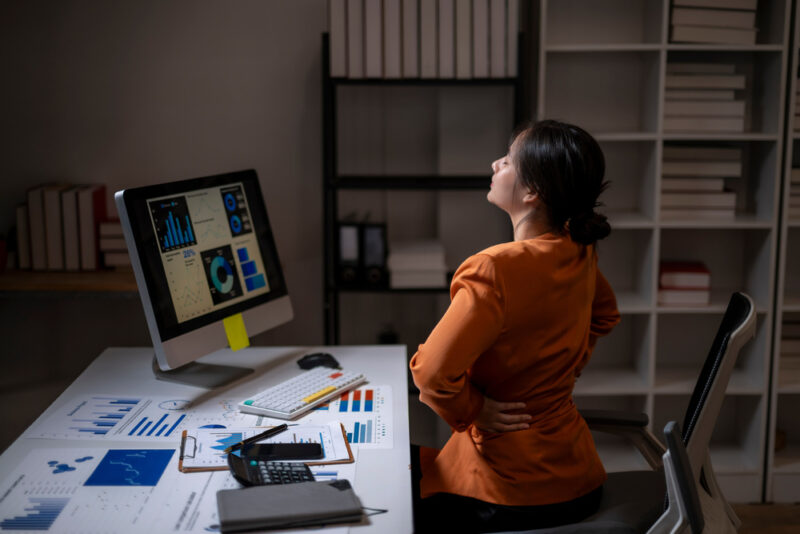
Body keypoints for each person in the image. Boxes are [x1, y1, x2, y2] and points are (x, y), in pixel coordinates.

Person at [409, 119, 621, 533]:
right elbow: (605, 315)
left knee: (376, 483)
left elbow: (431, 374)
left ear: (531, 192)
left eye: (507, 160)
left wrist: (476, 410)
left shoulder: (494, 269)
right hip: (577, 481)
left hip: (507, 495)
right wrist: (556, 374)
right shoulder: (578, 251)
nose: (495, 164)